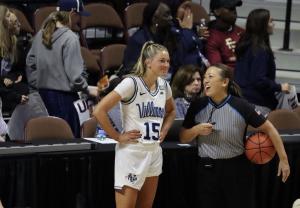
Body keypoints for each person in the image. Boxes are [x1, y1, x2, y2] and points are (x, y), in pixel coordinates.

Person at [179, 63, 290, 208]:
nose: (205, 80)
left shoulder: (242, 106)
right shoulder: (197, 106)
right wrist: (196, 130)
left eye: (210, 77)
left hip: (236, 170)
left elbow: (270, 129)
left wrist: (283, 160)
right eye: (204, 77)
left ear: (224, 82)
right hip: (206, 170)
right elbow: (183, 137)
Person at [93, 41, 176, 208]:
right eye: (162, 60)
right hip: (132, 153)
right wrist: (117, 136)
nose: (166, 64)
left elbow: (171, 111)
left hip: (153, 151)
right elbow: (99, 110)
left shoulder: (164, 86)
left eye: (168, 61)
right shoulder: (131, 83)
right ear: (148, 62)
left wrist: (165, 130)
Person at [26, 0, 91, 138]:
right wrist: (88, 88)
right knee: (70, 143)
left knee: (49, 142)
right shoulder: (70, 38)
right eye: (79, 15)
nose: (80, 19)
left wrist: (40, 83)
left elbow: (30, 63)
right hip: (65, 100)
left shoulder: (41, 35)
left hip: (43, 97)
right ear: (73, 13)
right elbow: (76, 78)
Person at [120, 0, 206, 79]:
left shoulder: (172, 34)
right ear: (155, 19)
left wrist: (187, 31)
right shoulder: (138, 40)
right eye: (166, 15)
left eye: (170, 14)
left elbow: (192, 47)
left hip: (171, 82)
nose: (171, 18)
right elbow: (131, 71)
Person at [234, 9, 290, 115]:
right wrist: (279, 87)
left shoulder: (245, 44)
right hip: (256, 104)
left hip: (240, 100)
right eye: (270, 21)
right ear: (262, 25)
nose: (273, 24)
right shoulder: (260, 50)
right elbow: (259, 80)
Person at [0, 6, 29, 113]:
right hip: (3, 89)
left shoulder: (15, 43)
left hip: (6, 86)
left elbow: (17, 69)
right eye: (7, 16)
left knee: (25, 88)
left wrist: (13, 77)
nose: (11, 17)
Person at [205, 0, 244, 71]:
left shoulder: (242, 32)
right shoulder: (211, 37)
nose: (234, 11)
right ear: (217, 11)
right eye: (230, 8)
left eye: (234, 8)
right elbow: (218, 71)